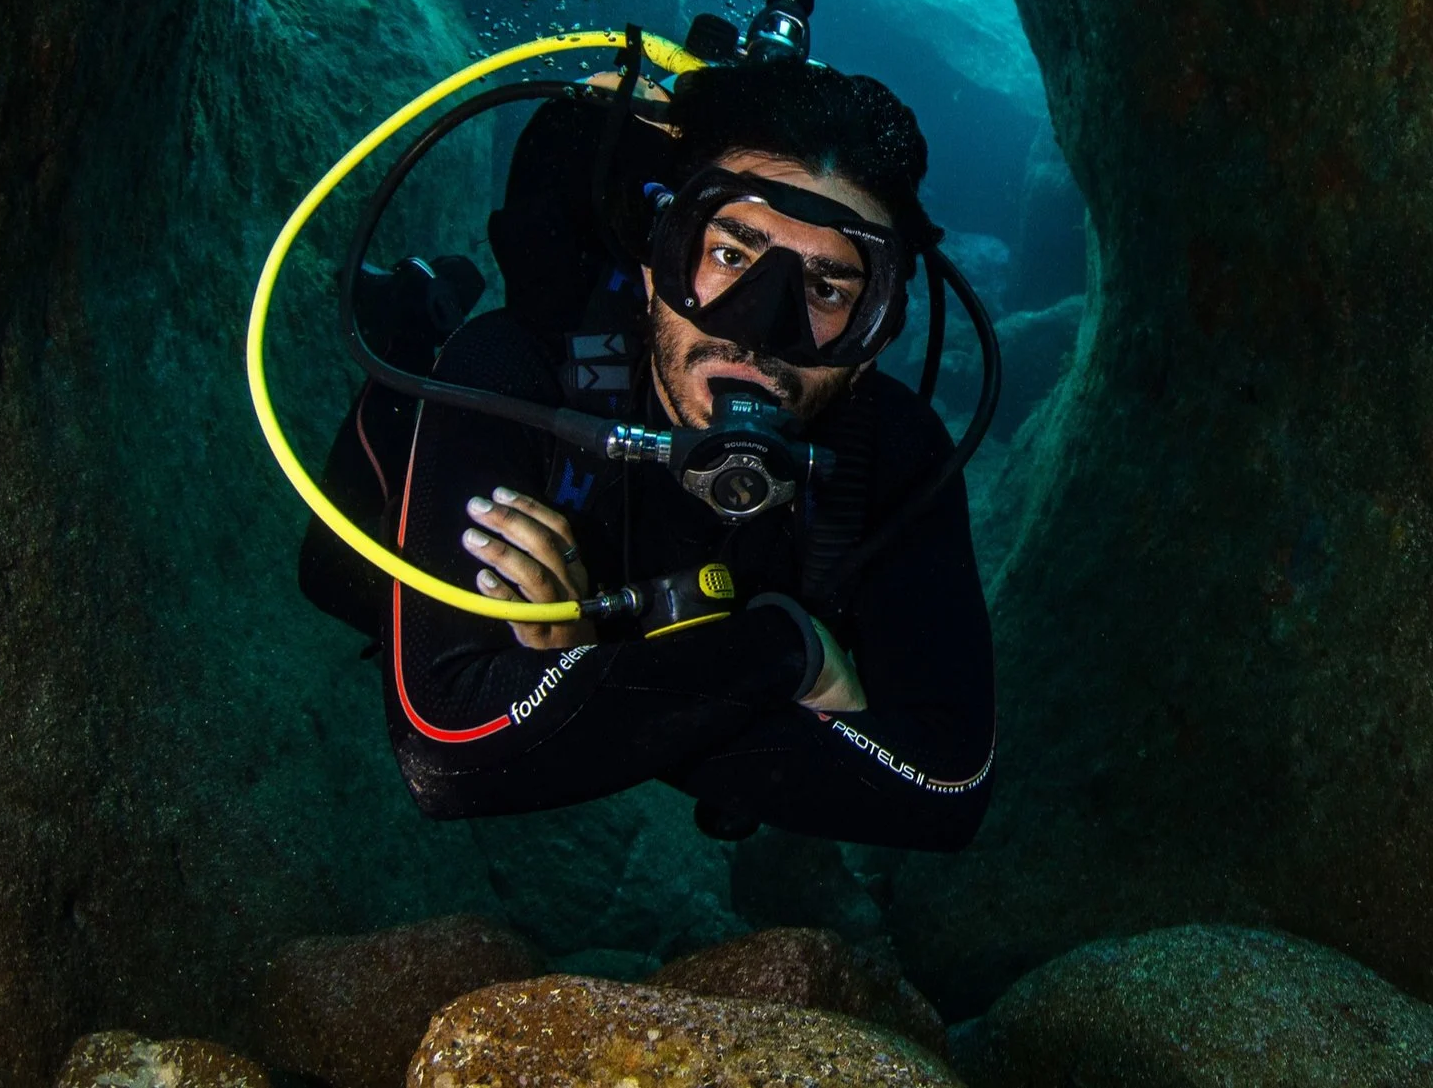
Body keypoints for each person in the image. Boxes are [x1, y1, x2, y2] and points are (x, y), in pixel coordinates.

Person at [355, 55, 994, 850]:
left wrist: (598, 684)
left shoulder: (895, 453)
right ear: (657, 263)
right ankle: (418, 319)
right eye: (730, 254)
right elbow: (447, 754)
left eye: (827, 290)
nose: (758, 328)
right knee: (334, 570)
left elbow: (949, 791)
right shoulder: (514, 371)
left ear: (871, 343)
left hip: (607, 660)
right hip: (443, 486)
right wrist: (789, 653)